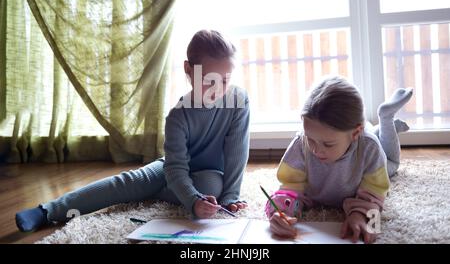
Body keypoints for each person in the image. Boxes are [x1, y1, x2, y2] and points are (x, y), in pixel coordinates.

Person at [16, 30, 250, 232]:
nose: (219, 89)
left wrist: (230, 197)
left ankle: (159, 190)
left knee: (211, 187)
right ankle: (47, 211)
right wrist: (192, 200)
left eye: (226, 80)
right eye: (210, 81)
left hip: (210, 174)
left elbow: (236, 153)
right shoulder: (178, 116)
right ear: (189, 70)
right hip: (173, 167)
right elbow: (176, 166)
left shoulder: (239, 101)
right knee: (130, 181)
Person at [265, 76, 413, 244]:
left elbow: (376, 193)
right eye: (310, 139)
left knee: (392, 164)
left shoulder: (369, 148)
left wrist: (361, 215)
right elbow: (289, 187)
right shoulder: (301, 143)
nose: (315, 150)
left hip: (368, 150)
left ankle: (387, 121)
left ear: (355, 133)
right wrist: (280, 212)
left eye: (328, 144)